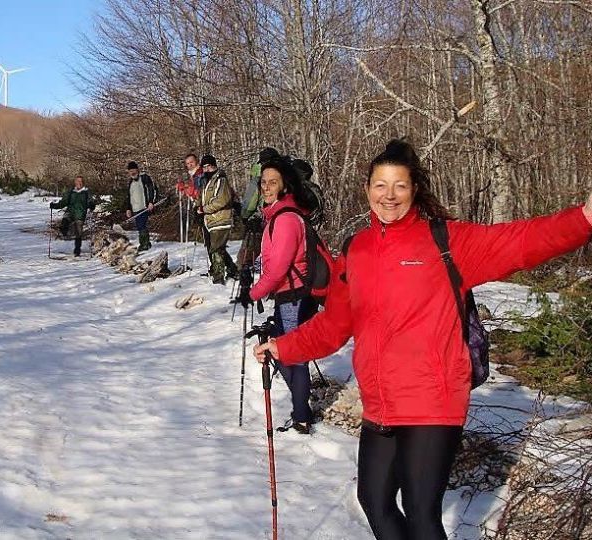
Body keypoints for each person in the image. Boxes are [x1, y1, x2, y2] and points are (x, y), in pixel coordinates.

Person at [253, 139, 592, 539]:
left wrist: (584, 218)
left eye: (399, 185)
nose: (389, 195)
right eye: (380, 185)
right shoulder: (357, 250)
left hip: (433, 397)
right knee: (375, 502)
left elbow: (520, 242)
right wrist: (283, 346)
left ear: (414, 190)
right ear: (367, 189)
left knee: (420, 511)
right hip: (381, 400)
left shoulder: (446, 241)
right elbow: (334, 324)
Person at [240, 156, 329, 435]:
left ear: (284, 186)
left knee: (292, 354)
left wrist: (251, 293)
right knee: (281, 350)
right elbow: (275, 259)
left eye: (272, 182)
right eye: (263, 182)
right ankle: (301, 409)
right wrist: (252, 268)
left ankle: (302, 415)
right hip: (288, 295)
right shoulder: (277, 216)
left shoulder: (287, 218)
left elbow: (278, 269)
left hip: (294, 295)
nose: (266, 187)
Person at [197, 154, 238, 284]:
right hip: (211, 220)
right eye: (204, 167)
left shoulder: (221, 180)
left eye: (209, 166)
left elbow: (221, 200)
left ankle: (218, 277)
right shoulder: (206, 182)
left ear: (214, 166)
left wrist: (204, 209)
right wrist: (198, 209)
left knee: (215, 249)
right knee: (217, 248)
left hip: (221, 219)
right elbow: (203, 199)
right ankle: (232, 270)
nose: (207, 169)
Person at [237, 147, 279, 269]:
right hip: (282, 218)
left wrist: (245, 216)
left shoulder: (259, 179)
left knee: (247, 254)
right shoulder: (284, 176)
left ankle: (242, 271)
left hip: (260, 219)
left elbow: (250, 202)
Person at [50, 176, 97, 257]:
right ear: (75, 182)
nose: (80, 183)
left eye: (81, 181)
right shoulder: (71, 191)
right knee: (64, 222)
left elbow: (90, 201)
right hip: (70, 212)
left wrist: (91, 205)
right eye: (78, 181)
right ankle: (64, 232)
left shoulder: (86, 192)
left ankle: (77, 250)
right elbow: (64, 202)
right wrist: (54, 205)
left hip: (80, 214)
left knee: (78, 233)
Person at [124, 161, 158, 252]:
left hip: (144, 207)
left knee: (141, 225)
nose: (132, 172)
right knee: (139, 226)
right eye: (130, 171)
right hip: (135, 208)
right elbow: (129, 196)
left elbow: (152, 189)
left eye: (133, 170)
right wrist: (128, 208)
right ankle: (144, 243)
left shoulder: (144, 178)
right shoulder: (130, 182)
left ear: (137, 170)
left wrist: (151, 202)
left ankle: (145, 244)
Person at [176, 153, 203, 243]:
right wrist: (184, 187)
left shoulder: (200, 173)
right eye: (187, 163)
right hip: (199, 204)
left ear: (196, 161)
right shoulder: (193, 174)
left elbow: (196, 190)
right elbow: (192, 189)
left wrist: (184, 187)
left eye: (191, 162)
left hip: (203, 205)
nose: (190, 165)